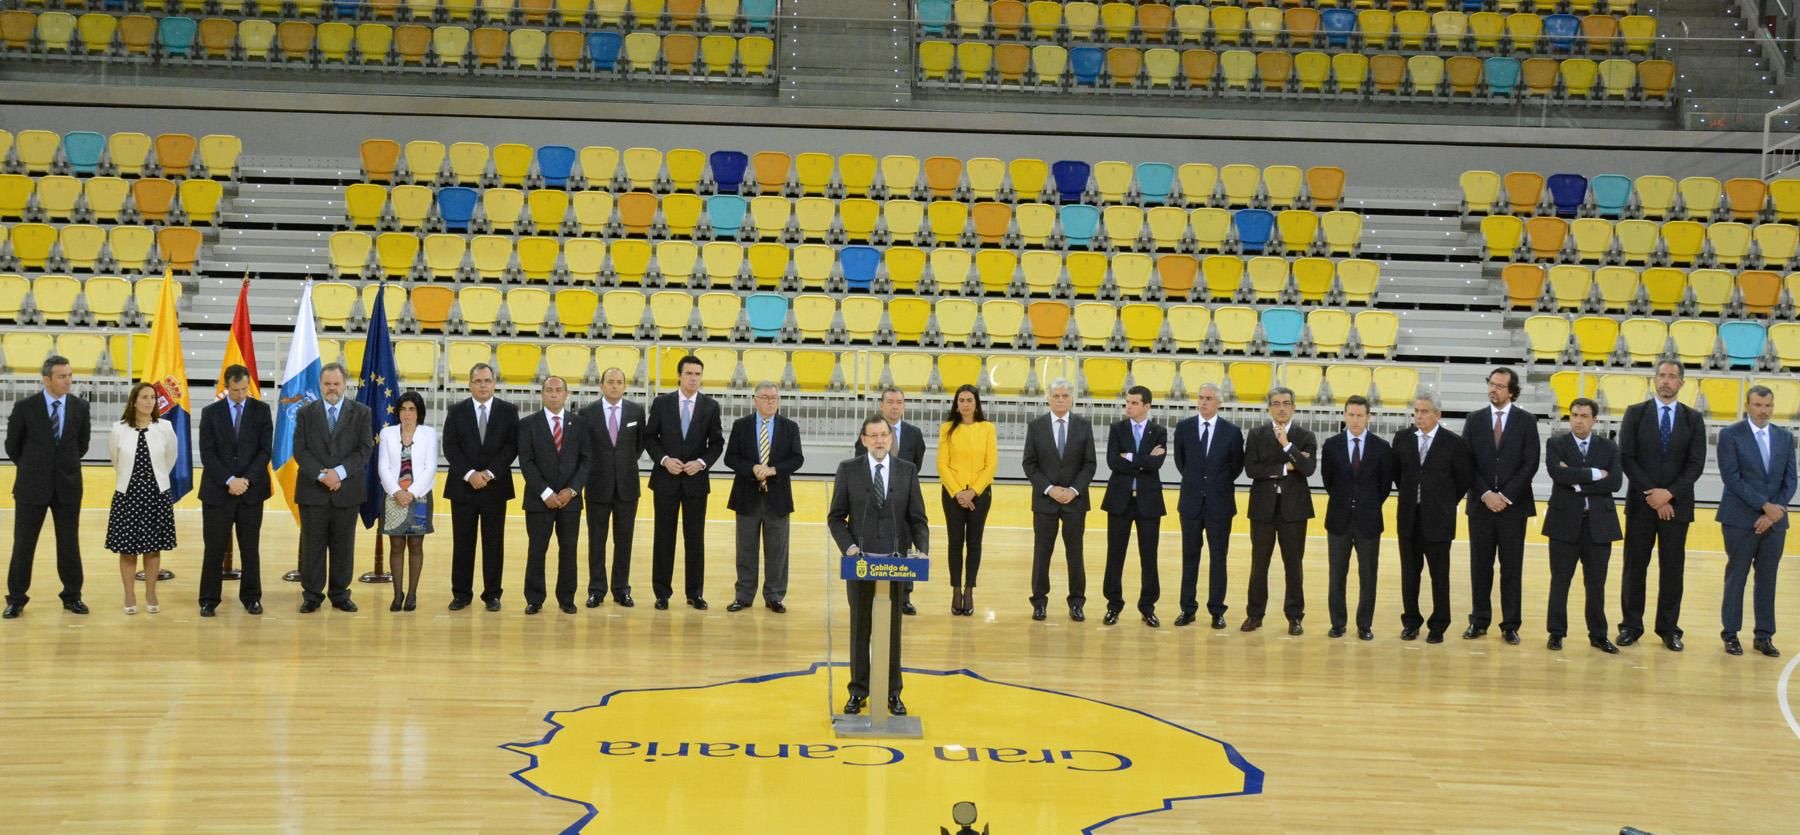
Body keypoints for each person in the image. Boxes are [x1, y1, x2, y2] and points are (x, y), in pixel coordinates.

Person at [827, 416, 930, 717]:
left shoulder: (907, 471)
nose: (880, 440)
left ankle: (892, 692)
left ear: (891, 438)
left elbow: (918, 518)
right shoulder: (848, 470)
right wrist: (850, 548)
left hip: (896, 564)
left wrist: (922, 550)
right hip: (860, 564)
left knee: (892, 631)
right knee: (860, 628)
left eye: (884, 434)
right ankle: (858, 691)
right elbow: (836, 517)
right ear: (863, 440)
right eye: (873, 436)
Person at [1616, 360, 1706, 652]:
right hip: (1642, 505)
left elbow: (1695, 465)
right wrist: (1652, 494)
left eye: (1672, 376)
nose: (1667, 381)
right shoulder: (1635, 413)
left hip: (1676, 507)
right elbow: (1627, 458)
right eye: (1662, 375)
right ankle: (1630, 626)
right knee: (1635, 568)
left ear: (1682, 383)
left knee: (1672, 570)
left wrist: (1668, 494)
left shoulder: (1693, 419)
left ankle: (1669, 629)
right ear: (1655, 380)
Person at [4, 355, 90, 619]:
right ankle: (16, 599)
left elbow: (82, 445)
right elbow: (12, 446)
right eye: (62, 376)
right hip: (31, 487)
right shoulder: (25, 407)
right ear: (46, 379)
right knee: (24, 544)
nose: (68, 381)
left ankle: (72, 596)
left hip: (68, 486)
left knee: (69, 543)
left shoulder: (80, 407)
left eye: (70, 375)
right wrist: (35, 468)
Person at [1715, 385, 1795, 658]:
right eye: (1758, 405)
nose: (1763, 411)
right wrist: (1765, 507)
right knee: (1737, 576)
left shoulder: (1785, 437)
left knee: (1768, 578)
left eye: (1768, 406)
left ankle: (1764, 635)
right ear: (1748, 406)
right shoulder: (1730, 435)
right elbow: (1732, 478)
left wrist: (1774, 512)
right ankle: (1731, 634)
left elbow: (1790, 479)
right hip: (1739, 519)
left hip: (1775, 521)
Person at [1462, 366, 1539, 645]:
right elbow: (1466, 461)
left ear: (1512, 391)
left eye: (1499, 386)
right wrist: (1485, 493)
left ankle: (1510, 625)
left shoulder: (1526, 421)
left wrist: (1505, 496)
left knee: (1511, 568)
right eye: (1491, 384)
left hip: (1513, 508)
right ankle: (1479, 620)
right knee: (1480, 566)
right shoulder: (1474, 419)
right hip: (1481, 506)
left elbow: (1530, 462)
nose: (1493, 389)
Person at [642, 355, 724, 611]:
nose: (693, 378)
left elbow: (717, 443)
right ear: (679, 375)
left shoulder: (710, 406)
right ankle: (662, 593)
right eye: (689, 373)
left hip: (695, 482)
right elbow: (649, 437)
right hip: (665, 480)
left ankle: (695, 593)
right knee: (663, 538)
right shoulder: (662, 403)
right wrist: (664, 460)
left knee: (695, 539)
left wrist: (701, 462)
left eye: (697, 374)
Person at [1542, 397, 1622, 654]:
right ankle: (1556, 633)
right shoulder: (1556, 443)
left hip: (1599, 524)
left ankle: (1598, 635)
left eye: (1584, 416)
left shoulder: (1609, 447)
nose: (1578, 420)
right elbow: (1558, 474)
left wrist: (1576, 482)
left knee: (1596, 584)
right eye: (1574, 415)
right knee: (1560, 581)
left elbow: (1615, 483)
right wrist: (1596, 474)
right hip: (1564, 523)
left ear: (1594, 420)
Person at [1392, 391, 1473, 643]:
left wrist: (1443, 503)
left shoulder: (1454, 443)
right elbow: (1397, 474)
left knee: (1439, 576)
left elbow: (1463, 479)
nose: (1419, 416)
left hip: (1439, 520)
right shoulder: (1402, 438)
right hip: (1408, 519)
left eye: (1424, 411)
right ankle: (1411, 622)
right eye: (1416, 411)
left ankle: (1438, 625)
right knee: (1409, 574)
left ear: (1437, 414)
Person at [294, 363, 374, 614]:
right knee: (312, 547)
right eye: (327, 384)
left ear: (344, 384)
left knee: (343, 547)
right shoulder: (305, 413)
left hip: (347, 492)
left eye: (336, 384)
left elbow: (364, 449)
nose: (332, 388)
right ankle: (312, 596)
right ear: (320, 385)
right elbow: (300, 450)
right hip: (312, 491)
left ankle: (340, 595)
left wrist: (338, 473)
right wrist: (322, 475)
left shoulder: (362, 412)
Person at [441, 363, 519, 612]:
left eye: (487, 380)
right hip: (463, 487)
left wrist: (489, 473)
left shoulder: (509, 411)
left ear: (494, 383)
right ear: (470, 384)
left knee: (493, 544)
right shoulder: (456, 411)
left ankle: (492, 594)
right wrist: (470, 474)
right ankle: (461, 594)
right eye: (478, 381)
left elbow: (511, 447)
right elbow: (450, 447)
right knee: (463, 543)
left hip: (495, 487)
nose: (483, 385)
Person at [1320, 395, 1397, 641]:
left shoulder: (1381, 447)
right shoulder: (1331, 445)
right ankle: (1338, 623)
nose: (1355, 420)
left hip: (1368, 521)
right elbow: (1329, 481)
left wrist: (1366, 504)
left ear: (1368, 417)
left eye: (1360, 415)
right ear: (1344, 416)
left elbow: (1384, 486)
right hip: (1339, 520)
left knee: (1368, 576)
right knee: (1336, 575)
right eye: (1351, 415)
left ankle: (1364, 625)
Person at [198, 364, 272, 617]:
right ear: (226, 387)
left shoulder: (262, 411)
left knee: (250, 548)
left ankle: (252, 597)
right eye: (235, 390)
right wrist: (229, 480)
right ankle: (208, 599)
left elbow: (265, 451)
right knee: (214, 548)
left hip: (251, 492)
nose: (240, 395)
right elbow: (207, 453)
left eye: (244, 389)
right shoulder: (210, 413)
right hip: (218, 492)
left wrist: (245, 480)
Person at [1242, 386, 1317, 635]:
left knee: (1293, 565)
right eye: (1276, 403)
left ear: (1294, 407)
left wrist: (1286, 445)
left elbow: (1307, 468)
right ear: (1269, 408)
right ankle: (1254, 615)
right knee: (1259, 564)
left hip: (1294, 511)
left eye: (1286, 403)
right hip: (1262, 509)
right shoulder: (1256, 434)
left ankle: (1295, 617)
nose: (1281, 408)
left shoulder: (1305, 436)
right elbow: (1252, 469)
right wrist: (1286, 467)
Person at [724, 383, 804, 613]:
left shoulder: (790, 427)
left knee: (777, 552)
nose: (770, 401)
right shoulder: (741, 426)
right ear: (755, 400)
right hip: (746, 497)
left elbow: (797, 459)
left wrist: (774, 470)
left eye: (774, 397)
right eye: (766, 397)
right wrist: (753, 468)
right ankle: (744, 595)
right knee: (745, 551)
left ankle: (774, 596)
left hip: (778, 499)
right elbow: (731, 458)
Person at [1020, 380, 1096, 622]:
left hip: (1075, 502)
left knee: (1075, 554)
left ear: (1071, 398)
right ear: (1049, 398)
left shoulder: (1083, 426)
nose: (1061, 399)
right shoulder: (1036, 426)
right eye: (1056, 396)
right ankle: (1039, 602)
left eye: (1065, 395)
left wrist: (1073, 490)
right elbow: (1029, 463)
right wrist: (1050, 489)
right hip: (1046, 501)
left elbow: (1090, 464)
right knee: (1042, 554)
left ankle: (1077, 602)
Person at [1172, 382, 1243, 629]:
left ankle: (1217, 610)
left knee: (1218, 558)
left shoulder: (1232, 432)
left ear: (1219, 403)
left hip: (1219, 504)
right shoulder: (1184, 428)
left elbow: (1236, 466)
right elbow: (1181, 462)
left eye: (1209, 398)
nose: (1203, 402)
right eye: (1201, 397)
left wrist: (1214, 484)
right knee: (1189, 557)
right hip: (1191, 503)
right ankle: (1187, 608)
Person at [517, 376, 591, 616]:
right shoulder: (528, 424)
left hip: (570, 500)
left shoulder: (579, 424)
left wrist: (572, 490)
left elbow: (586, 460)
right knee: (537, 549)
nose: (553, 394)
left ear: (566, 395)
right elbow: (526, 461)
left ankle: (567, 598)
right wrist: (545, 492)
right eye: (549, 390)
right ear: (542, 394)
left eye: (559, 390)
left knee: (568, 550)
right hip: (539, 500)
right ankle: (534, 598)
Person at [106, 382, 179, 616]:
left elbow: (170, 458)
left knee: (153, 548)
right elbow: (116, 460)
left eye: (153, 397)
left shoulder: (165, 427)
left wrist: (155, 481)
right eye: (144, 397)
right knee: (127, 550)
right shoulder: (118, 429)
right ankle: (129, 594)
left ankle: (151, 593)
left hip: (156, 495)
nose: (149, 402)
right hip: (127, 496)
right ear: (134, 401)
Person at [1100, 386, 1168, 628]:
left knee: (1149, 556)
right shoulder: (1117, 429)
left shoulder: (1159, 431)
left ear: (1147, 406)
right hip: (1120, 500)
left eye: (1134, 403)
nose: (1129, 406)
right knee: (1115, 554)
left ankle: (1147, 607)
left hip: (1148, 501)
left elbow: (1156, 464)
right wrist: (1144, 460)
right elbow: (1113, 461)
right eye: (1127, 402)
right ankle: (1113, 605)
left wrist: (1130, 457)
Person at [859, 387, 928, 615]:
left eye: (899, 402)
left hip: (903, 501)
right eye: (890, 402)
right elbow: (861, 462)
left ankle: (904, 596)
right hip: (875, 499)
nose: (895, 406)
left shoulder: (914, 434)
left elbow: (916, 464)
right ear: (881, 405)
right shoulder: (868, 432)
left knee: (904, 545)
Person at [580, 367, 645, 608]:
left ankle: (621, 589)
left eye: (619, 382)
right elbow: (585, 449)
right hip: (597, 485)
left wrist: (621, 466)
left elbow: (638, 445)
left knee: (624, 540)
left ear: (625, 386)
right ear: (601, 385)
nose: (615, 386)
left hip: (627, 487)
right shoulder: (587, 413)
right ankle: (596, 590)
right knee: (596, 541)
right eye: (610, 382)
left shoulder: (636, 411)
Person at [934, 385, 995, 617]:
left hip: (980, 495)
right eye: (961, 400)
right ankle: (956, 589)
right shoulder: (947, 429)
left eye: (969, 400)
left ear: (976, 403)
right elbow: (942, 464)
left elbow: (991, 464)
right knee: (955, 542)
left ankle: (969, 589)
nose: (966, 404)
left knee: (974, 543)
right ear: (956, 404)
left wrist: (973, 491)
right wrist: (959, 492)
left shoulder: (987, 428)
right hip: (953, 495)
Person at [377, 391, 438, 613]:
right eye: (403, 409)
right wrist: (397, 492)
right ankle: (397, 594)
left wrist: (410, 492)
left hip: (419, 496)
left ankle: (412, 594)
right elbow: (383, 466)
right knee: (395, 546)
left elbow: (430, 467)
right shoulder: (387, 433)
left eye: (412, 409)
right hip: (392, 496)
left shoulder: (429, 434)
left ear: (419, 412)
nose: (407, 414)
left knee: (415, 546)